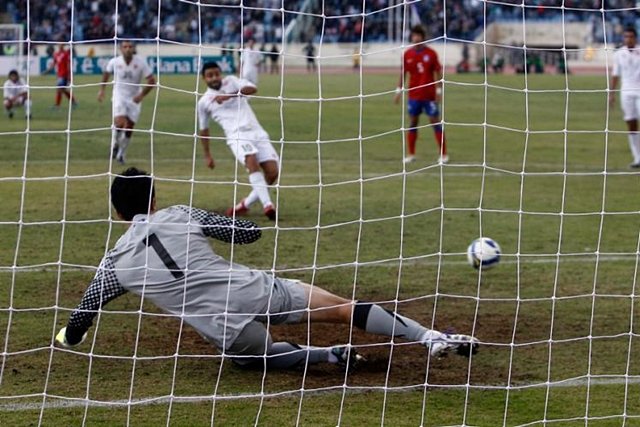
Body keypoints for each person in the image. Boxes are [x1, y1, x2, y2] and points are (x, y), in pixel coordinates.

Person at [55, 167, 479, 370]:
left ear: (116, 213)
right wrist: (223, 222)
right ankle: (429, 337)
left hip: (221, 327)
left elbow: (82, 318)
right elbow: (248, 234)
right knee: (341, 308)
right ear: (152, 200)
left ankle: (329, 356)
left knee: (250, 360)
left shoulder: (114, 262)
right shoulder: (179, 213)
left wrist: (66, 336)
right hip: (251, 289)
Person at [197, 62, 278, 221]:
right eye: (209, 75)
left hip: (257, 131)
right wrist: (207, 155)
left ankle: (244, 204)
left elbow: (252, 88)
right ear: (204, 79)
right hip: (236, 136)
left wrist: (229, 95)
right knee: (251, 160)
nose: (214, 78)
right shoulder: (204, 102)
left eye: (216, 74)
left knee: (272, 173)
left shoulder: (232, 81)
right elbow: (204, 129)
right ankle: (268, 205)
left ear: (221, 73)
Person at [394, 25, 448, 164]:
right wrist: (398, 91)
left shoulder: (431, 54)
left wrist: (439, 91)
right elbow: (403, 73)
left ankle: (443, 155)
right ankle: (411, 154)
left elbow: (438, 73)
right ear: (412, 37)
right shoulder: (407, 54)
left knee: (435, 122)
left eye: (419, 35)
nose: (416, 38)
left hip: (429, 95)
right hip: (414, 95)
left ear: (423, 38)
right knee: (413, 122)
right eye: (414, 35)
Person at [98, 40, 156, 164]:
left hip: (135, 97)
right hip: (119, 95)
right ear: (121, 49)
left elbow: (152, 81)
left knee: (129, 127)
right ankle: (114, 144)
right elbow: (106, 73)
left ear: (133, 48)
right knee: (119, 122)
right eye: (125, 47)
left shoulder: (141, 62)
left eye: (130, 46)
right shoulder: (115, 62)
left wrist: (141, 95)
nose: (128, 49)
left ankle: (121, 154)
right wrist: (102, 90)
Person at [609, 26, 640, 169]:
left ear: (635, 38)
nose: (628, 39)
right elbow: (616, 74)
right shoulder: (619, 54)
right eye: (626, 37)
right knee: (631, 124)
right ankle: (637, 157)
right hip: (626, 92)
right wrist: (611, 93)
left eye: (631, 36)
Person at [42, 44, 78, 109]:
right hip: (59, 75)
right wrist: (47, 71)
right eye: (59, 44)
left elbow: (68, 65)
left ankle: (57, 105)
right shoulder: (56, 54)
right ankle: (73, 102)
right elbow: (53, 64)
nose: (60, 45)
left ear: (63, 45)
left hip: (64, 75)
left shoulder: (66, 54)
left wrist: (70, 75)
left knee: (59, 89)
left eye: (61, 44)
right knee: (63, 90)